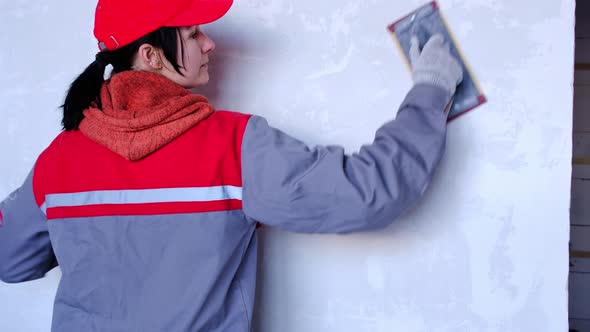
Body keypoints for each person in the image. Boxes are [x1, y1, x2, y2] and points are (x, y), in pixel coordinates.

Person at [0, 0, 463, 331]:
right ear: (150, 55)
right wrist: (431, 89)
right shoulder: (232, 148)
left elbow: (10, 259)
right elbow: (369, 193)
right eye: (192, 33)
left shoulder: (57, 163)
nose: (210, 44)